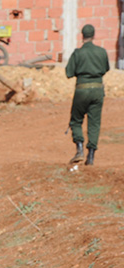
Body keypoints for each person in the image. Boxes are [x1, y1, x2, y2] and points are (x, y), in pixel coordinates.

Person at [66, 24, 110, 166]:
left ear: (82, 35)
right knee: (94, 122)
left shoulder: (77, 53)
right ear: (93, 35)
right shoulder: (102, 52)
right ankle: (91, 156)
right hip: (97, 90)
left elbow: (69, 73)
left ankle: (79, 149)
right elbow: (105, 69)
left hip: (81, 89)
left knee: (76, 120)